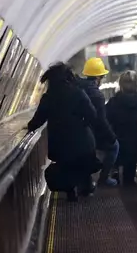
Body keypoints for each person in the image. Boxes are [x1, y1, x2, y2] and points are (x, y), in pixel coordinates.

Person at [27, 62, 99, 202]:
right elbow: (92, 114)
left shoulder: (48, 97)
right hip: (81, 139)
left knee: (66, 164)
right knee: (82, 160)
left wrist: (29, 127)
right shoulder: (78, 93)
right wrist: (81, 125)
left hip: (59, 141)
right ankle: (86, 186)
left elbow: (38, 119)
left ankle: (70, 191)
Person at [78, 57, 119, 187]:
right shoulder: (97, 95)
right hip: (92, 133)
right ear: (98, 78)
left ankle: (85, 181)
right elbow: (101, 120)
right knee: (114, 147)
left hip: (77, 131)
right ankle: (104, 178)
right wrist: (112, 137)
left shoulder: (78, 89)